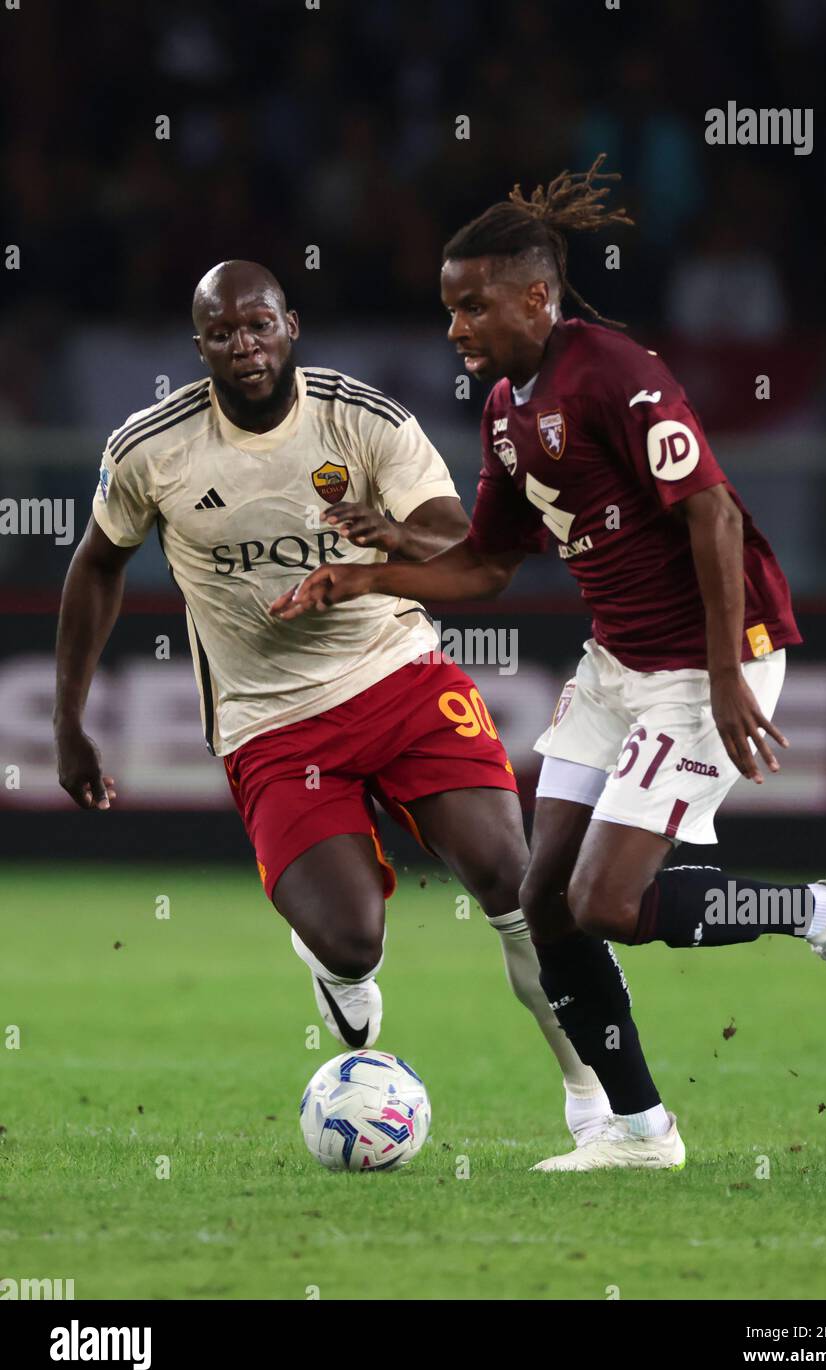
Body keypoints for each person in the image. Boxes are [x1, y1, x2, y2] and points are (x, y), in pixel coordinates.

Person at [273, 160, 826, 1172]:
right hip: (616, 666)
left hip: (705, 664)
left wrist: (730, 669)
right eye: (447, 310)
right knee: (541, 897)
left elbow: (712, 512)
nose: (456, 329)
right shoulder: (508, 412)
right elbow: (482, 567)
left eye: (472, 307)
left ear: (536, 294)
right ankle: (641, 1132)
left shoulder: (609, 367)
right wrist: (365, 571)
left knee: (608, 902)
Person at [53, 258, 613, 1146]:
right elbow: (97, 564)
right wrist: (69, 721)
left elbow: (458, 536)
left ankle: (594, 1095)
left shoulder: (362, 418)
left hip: (400, 677)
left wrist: (390, 535)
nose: (245, 345)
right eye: (223, 332)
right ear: (198, 345)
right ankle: (339, 970)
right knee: (354, 938)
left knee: (516, 882)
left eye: (260, 325)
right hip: (270, 722)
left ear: (292, 326)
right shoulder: (151, 449)